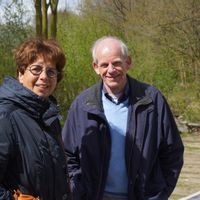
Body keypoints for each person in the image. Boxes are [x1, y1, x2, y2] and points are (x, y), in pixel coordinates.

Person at [62, 36, 184, 200]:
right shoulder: (82, 105)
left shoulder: (152, 100)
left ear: (128, 62)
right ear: (95, 67)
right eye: (104, 65)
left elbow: (172, 152)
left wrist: (159, 194)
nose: (111, 70)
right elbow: (68, 155)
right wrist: (79, 191)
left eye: (117, 63)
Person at [0, 38, 70, 200]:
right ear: (21, 73)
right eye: (36, 69)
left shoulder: (49, 117)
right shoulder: (5, 116)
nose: (44, 77)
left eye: (51, 71)